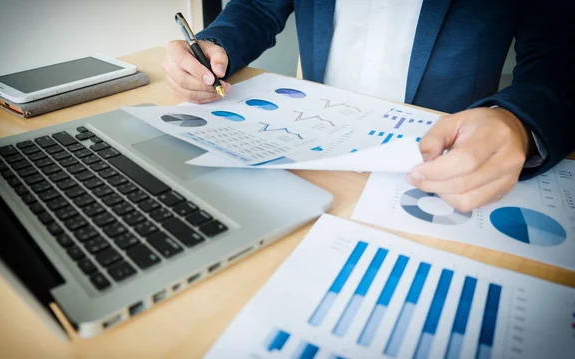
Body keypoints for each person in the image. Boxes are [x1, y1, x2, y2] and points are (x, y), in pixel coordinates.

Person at [161, 0, 575, 212]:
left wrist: (517, 121)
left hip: (442, 165)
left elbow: (559, 55)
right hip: (313, 151)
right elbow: (255, 7)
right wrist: (216, 44)